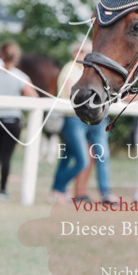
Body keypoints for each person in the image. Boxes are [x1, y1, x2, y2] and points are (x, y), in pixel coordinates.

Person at [0, 41, 38, 199]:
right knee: (6, 155)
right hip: (11, 120)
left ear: (1, 55)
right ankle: (2, 189)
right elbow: (34, 96)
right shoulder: (21, 77)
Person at [50, 40, 91, 203]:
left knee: (67, 158)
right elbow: (71, 94)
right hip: (71, 119)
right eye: (83, 51)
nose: (87, 54)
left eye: (89, 51)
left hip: (79, 119)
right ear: (75, 53)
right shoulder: (70, 69)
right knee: (83, 161)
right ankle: (59, 188)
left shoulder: (82, 70)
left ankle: (57, 191)